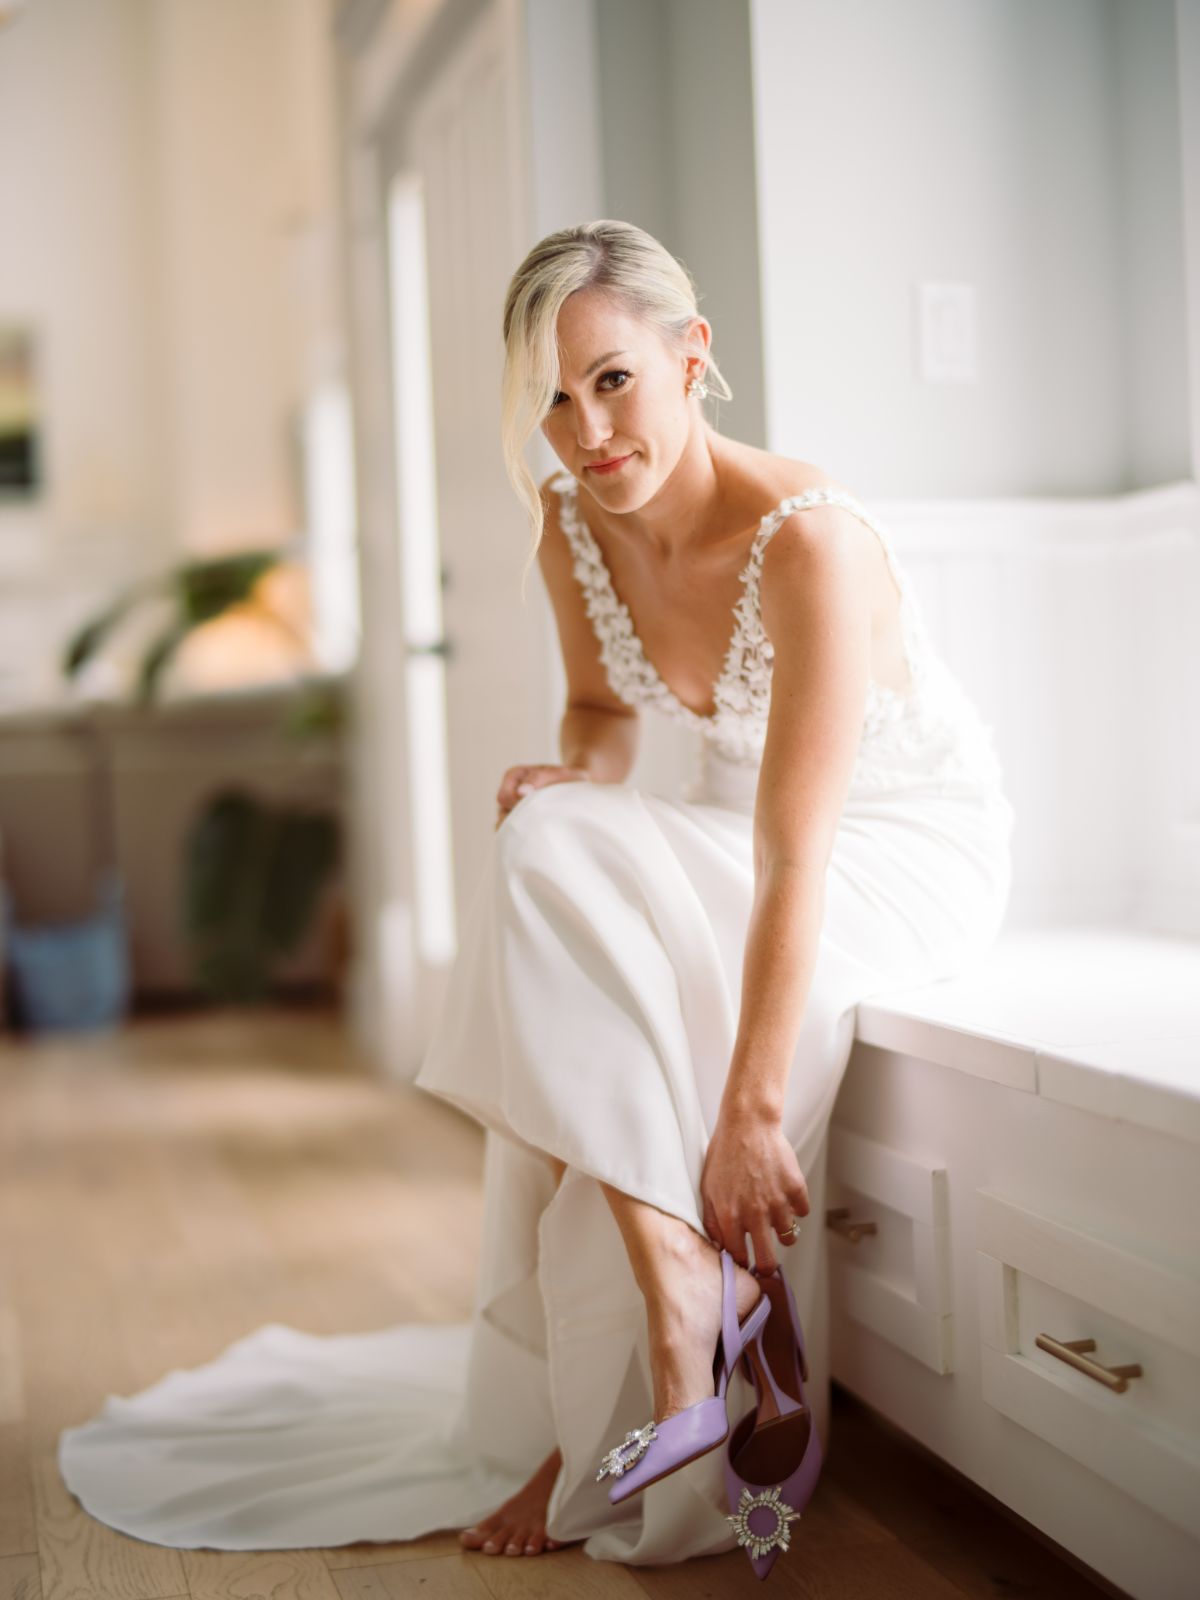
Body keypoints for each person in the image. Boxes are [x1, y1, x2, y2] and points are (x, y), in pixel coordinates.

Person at [56, 220, 1014, 1573]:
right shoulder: (575, 520)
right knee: (545, 837)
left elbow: (799, 852)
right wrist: (577, 778)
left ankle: (618, 1382)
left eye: (612, 378)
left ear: (693, 357)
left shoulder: (812, 544)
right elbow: (595, 711)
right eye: (555, 399)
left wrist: (748, 1110)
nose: (585, 430)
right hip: (732, 830)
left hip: (895, 847)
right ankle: (666, 1274)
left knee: (584, 899)